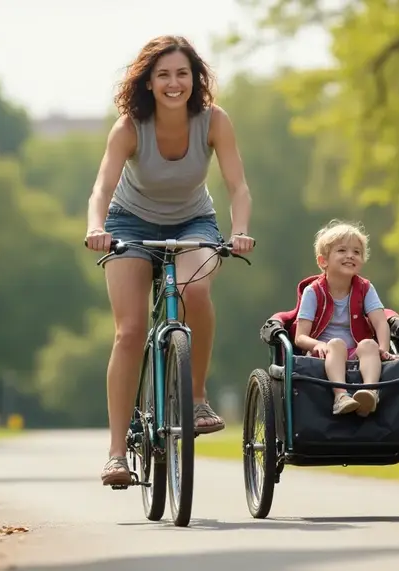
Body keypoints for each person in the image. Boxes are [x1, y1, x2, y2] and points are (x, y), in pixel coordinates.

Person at [83, 35, 256, 486]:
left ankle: (196, 397)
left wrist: (238, 232)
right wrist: (95, 227)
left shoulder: (214, 121)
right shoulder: (129, 127)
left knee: (194, 289)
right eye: (163, 75)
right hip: (129, 223)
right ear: (148, 82)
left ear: (195, 78)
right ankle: (117, 453)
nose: (174, 83)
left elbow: (237, 186)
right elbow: (102, 186)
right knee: (130, 331)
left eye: (182, 73)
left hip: (195, 221)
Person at [292, 220, 399, 417]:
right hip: (325, 353)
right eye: (342, 250)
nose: (350, 255)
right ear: (323, 261)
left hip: (356, 352)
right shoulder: (313, 292)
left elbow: (380, 321)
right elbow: (300, 337)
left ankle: (370, 393)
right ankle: (340, 397)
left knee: (369, 344)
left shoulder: (365, 288)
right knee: (336, 344)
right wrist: (317, 345)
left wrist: (383, 348)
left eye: (356, 252)